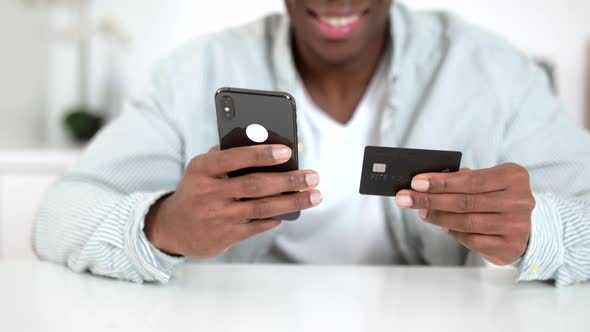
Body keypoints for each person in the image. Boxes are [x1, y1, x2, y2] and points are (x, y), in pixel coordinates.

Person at [33, 0, 590, 286]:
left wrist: (538, 231)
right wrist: (161, 227)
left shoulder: (495, 71)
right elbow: (59, 214)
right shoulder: (194, 72)